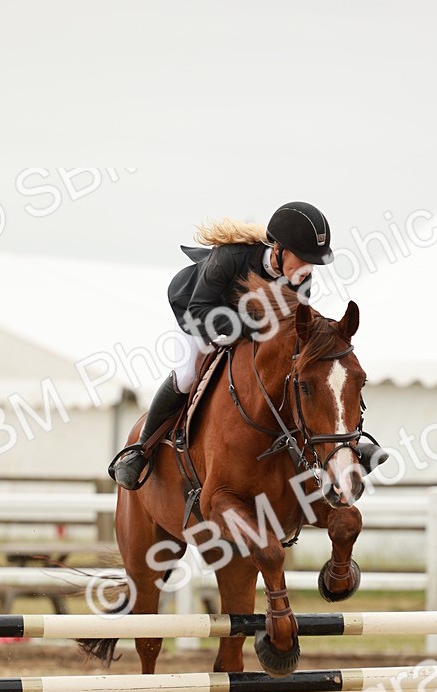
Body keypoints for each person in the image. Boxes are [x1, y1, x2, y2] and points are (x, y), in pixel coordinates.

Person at [108, 201, 334, 489]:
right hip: (196, 313)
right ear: (279, 249)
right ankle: (141, 450)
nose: (309, 268)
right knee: (188, 376)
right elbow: (199, 313)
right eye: (304, 258)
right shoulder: (231, 256)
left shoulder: (300, 279)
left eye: (313, 262)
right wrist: (250, 328)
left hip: (248, 327)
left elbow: (293, 328)